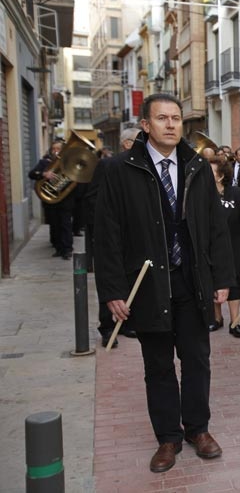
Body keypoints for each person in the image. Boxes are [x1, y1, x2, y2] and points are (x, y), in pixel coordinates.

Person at [94, 93, 235, 473]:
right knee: (158, 365)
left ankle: (198, 429)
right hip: (148, 285)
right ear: (146, 125)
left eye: (176, 118)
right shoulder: (120, 170)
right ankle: (168, 438)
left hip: (191, 282)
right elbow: (106, 236)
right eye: (162, 118)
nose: (171, 125)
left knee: (197, 360)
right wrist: (113, 291)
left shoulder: (197, 166)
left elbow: (216, 227)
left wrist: (223, 278)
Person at [86, 127, 140, 347]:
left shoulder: (140, 165)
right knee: (111, 279)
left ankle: (127, 321)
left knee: (132, 278)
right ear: (127, 143)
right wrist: (105, 225)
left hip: (134, 236)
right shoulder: (108, 165)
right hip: (112, 234)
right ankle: (108, 327)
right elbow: (93, 199)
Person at [209, 157, 240, 338]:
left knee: (233, 284)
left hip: (233, 248)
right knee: (212, 282)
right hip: (210, 248)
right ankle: (216, 318)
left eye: (210, 172)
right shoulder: (202, 195)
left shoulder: (237, 194)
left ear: (220, 176)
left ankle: (235, 322)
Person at [28, 140, 74, 260]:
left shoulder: (68, 162)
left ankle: (67, 249)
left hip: (65, 199)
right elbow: (31, 174)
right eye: (53, 149)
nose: (55, 151)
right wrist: (44, 174)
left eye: (58, 149)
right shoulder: (44, 162)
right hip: (50, 200)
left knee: (66, 224)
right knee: (55, 225)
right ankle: (58, 248)